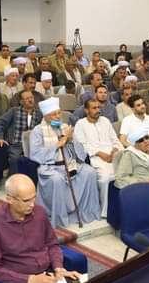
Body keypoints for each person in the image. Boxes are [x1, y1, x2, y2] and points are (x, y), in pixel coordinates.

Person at [30, 97, 100, 227]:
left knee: (89, 172)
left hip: (69, 163)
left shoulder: (65, 127)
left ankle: (86, 211)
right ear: (46, 115)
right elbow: (35, 154)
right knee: (56, 179)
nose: (58, 116)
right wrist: (58, 144)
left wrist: (71, 139)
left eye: (59, 113)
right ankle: (60, 218)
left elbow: (80, 152)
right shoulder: (38, 131)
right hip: (51, 167)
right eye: (54, 114)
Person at [74, 99, 122, 218]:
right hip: (95, 158)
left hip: (113, 156)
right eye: (94, 108)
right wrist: (100, 153)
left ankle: (122, 207)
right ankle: (105, 211)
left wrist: (114, 150)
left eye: (98, 107)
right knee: (106, 178)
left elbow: (115, 140)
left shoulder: (105, 121)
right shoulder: (80, 124)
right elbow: (82, 146)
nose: (98, 110)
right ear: (86, 110)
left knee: (123, 174)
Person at [0, 91, 43, 174]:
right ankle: (14, 179)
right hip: (16, 144)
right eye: (27, 98)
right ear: (21, 102)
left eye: (31, 97)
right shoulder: (14, 111)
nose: (30, 100)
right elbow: (0, 123)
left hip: (32, 144)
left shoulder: (39, 114)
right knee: (14, 159)